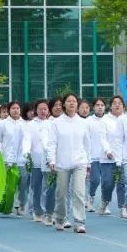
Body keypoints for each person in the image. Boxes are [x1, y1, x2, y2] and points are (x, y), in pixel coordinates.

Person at [47, 93, 91, 233]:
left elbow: (87, 144)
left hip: (80, 162)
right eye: (68, 101)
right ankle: (60, 218)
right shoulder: (56, 123)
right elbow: (52, 143)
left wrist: (88, 162)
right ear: (64, 104)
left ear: (77, 104)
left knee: (79, 192)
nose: (71, 103)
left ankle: (79, 221)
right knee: (61, 193)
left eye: (74, 101)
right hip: (62, 162)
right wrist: (52, 160)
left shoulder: (83, 123)